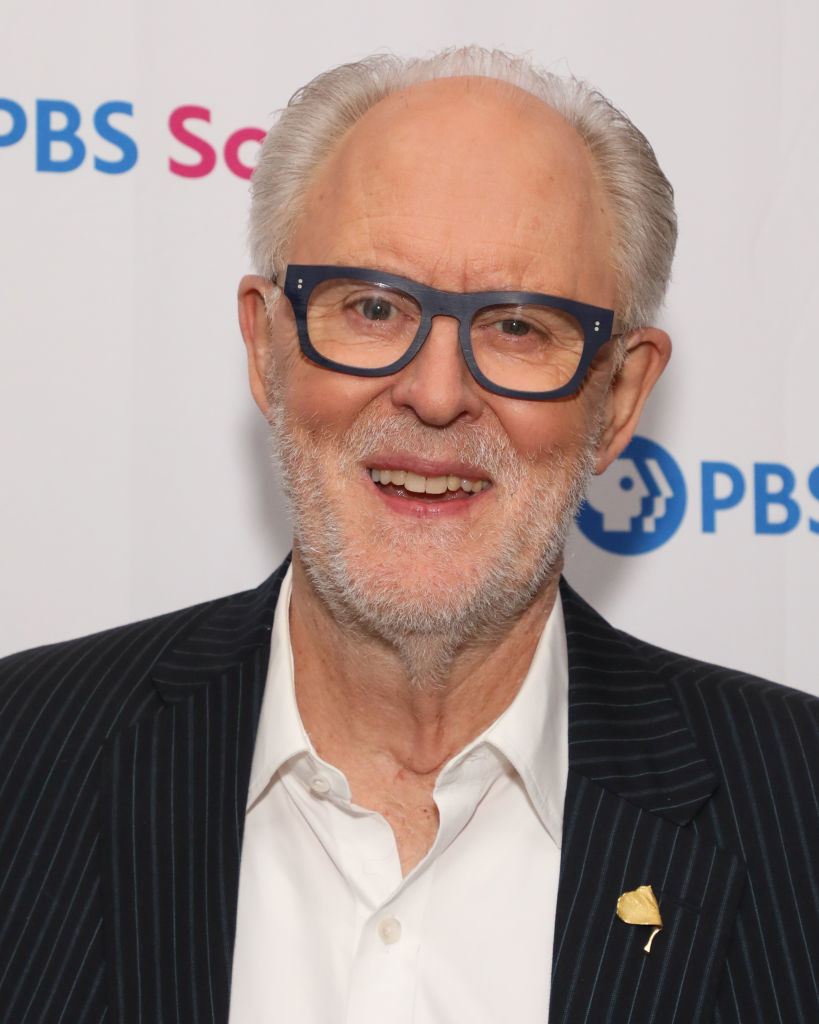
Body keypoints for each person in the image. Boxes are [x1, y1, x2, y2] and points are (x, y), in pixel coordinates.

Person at [0, 47, 816, 1024]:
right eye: (374, 308)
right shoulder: (23, 765)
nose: (436, 395)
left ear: (622, 394)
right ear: (267, 349)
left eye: (518, 324)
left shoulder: (798, 816)